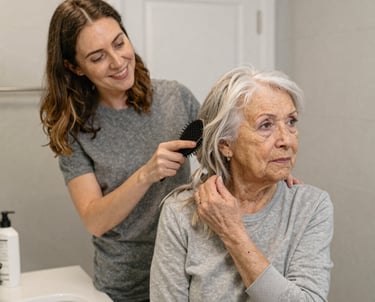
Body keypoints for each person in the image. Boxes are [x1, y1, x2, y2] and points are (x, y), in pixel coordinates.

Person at [39, 0, 200, 301]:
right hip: (126, 286)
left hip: (188, 272)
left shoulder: (176, 98)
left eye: (119, 42)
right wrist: (146, 174)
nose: (118, 61)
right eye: (98, 57)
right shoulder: (74, 131)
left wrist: (272, 178)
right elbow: (95, 220)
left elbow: (225, 159)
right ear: (74, 67)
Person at [150, 66, 334, 301]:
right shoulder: (180, 213)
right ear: (226, 144)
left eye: (291, 122)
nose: (286, 140)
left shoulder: (311, 206)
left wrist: (233, 232)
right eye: (266, 125)